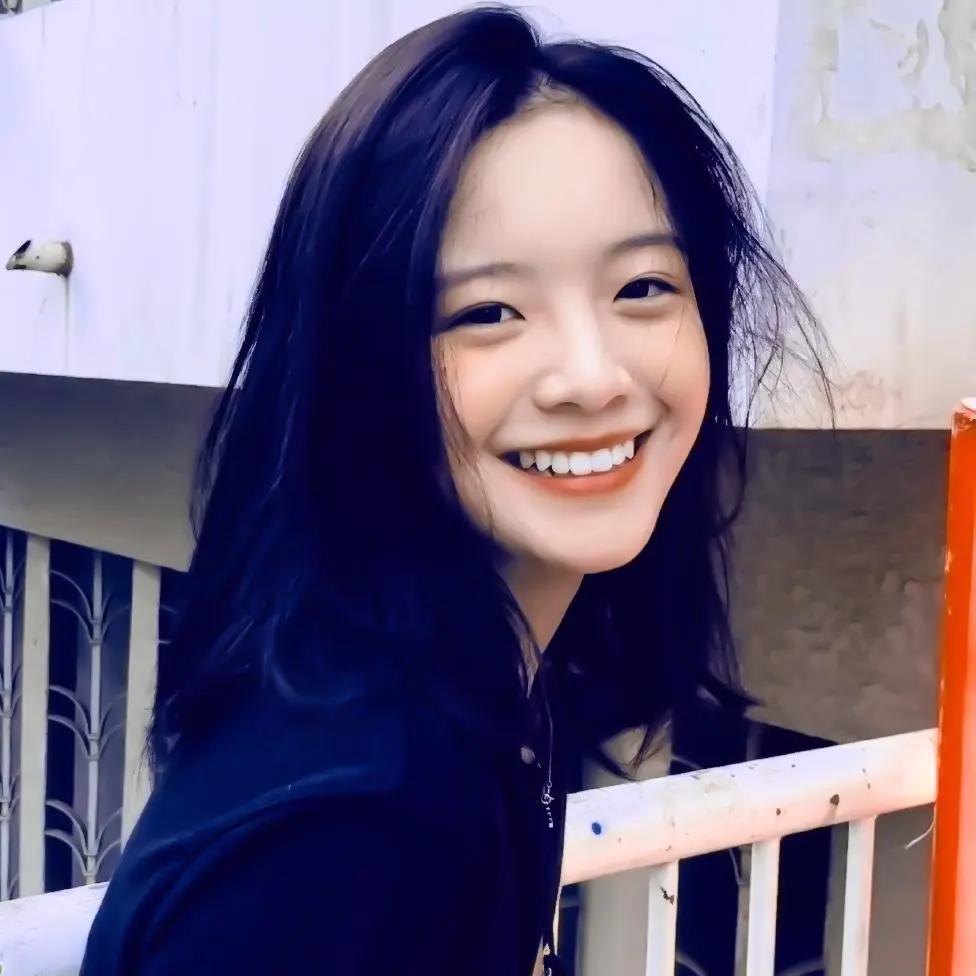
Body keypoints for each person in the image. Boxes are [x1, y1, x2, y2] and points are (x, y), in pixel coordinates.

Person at [80, 6, 830, 975]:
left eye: (642, 287)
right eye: (487, 312)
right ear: (359, 362)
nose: (591, 376)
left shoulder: (471, 692)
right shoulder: (356, 827)